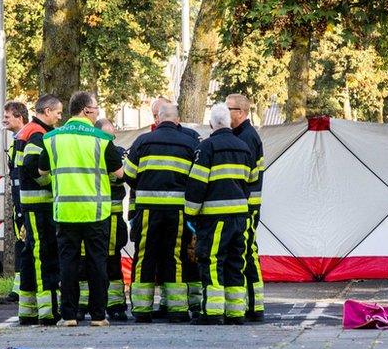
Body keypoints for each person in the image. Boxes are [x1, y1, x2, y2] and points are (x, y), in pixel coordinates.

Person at [38, 91, 124, 327]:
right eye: (96, 109)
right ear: (86, 110)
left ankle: (68, 316)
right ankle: (98, 316)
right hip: (96, 212)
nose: (98, 112)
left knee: (68, 265)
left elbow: (42, 171)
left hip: (65, 212)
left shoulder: (53, 137)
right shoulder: (101, 138)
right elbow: (119, 173)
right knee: (98, 264)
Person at [123, 102, 198, 323]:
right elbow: (197, 178)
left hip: (147, 209)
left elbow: (128, 174)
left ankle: (142, 310)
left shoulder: (143, 141)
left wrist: (145, 184)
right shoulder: (190, 143)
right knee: (174, 255)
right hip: (177, 211)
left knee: (145, 255)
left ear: (158, 120)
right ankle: (176, 309)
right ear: (177, 121)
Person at [184, 103, 256, 325]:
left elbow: (197, 184)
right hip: (240, 216)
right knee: (236, 261)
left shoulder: (207, 148)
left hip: (215, 217)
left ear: (211, 124)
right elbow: (251, 180)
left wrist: (190, 213)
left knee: (212, 261)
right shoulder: (243, 147)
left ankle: (213, 312)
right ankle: (236, 313)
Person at [16, 95, 64, 325]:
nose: (59, 116)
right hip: (39, 204)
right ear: (46, 111)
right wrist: (54, 184)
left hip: (31, 204)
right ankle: (48, 311)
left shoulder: (28, 130)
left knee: (31, 253)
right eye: (57, 112)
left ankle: (28, 310)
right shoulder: (37, 133)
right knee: (42, 253)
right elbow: (32, 169)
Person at [77, 119, 130, 321]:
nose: (110, 140)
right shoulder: (92, 151)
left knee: (112, 259)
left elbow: (122, 176)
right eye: (106, 136)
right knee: (84, 260)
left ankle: (116, 304)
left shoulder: (119, 152)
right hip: (91, 213)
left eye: (112, 136)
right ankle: (82, 304)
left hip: (114, 214)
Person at [227, 93, 266, 322]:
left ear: (240, 112)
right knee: (245, 252)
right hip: (246, 204)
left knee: (248, 252)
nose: (226, 112)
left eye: (228, 108)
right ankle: (252, 304)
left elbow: (245, 176)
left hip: (248, 206)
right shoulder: (242, 135)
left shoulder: (247, 137)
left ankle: (254, 305)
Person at [0, 100, 30, 304]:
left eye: (7, 117)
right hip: (20, 202)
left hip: (27, 203)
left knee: (26, 244)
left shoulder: (27, 139)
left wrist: (22, 208)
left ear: (19, 117)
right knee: (21, 244)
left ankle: (24, 290)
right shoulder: (16, 139)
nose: (3, 120)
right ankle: (19, 289)